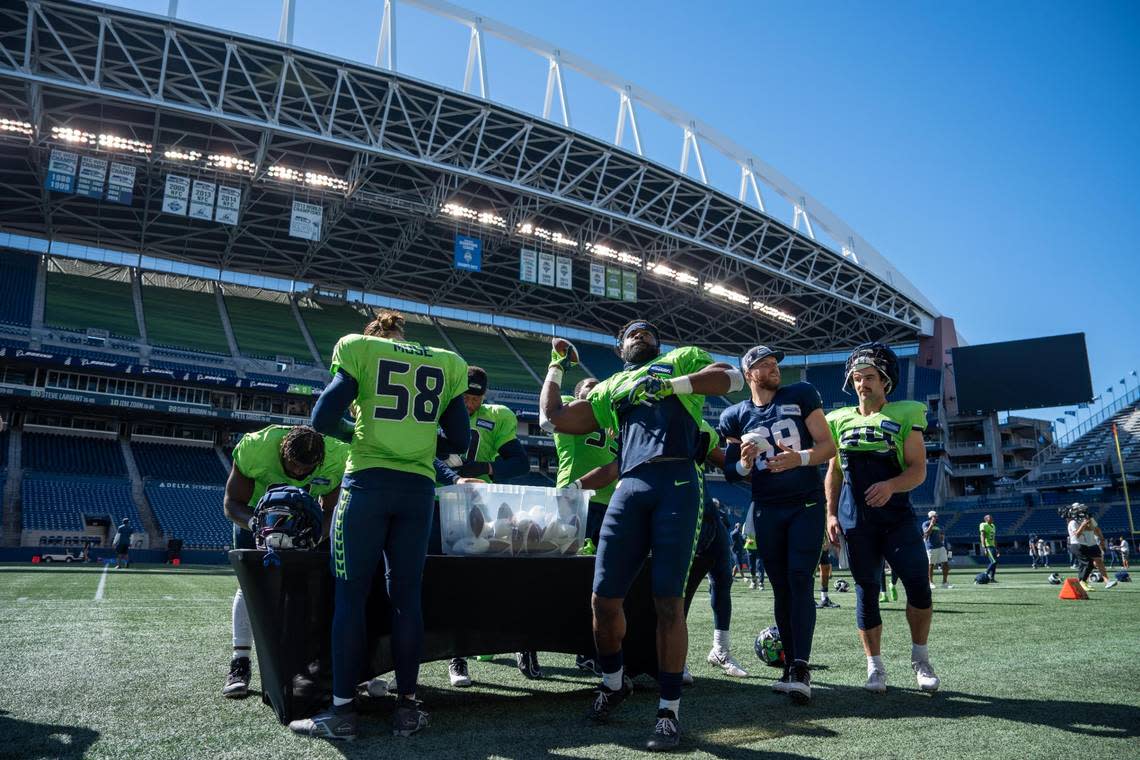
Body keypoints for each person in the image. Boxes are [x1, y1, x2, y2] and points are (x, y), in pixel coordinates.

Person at [539, 320, 743, 751]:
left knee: (668, 600)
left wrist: (675, 386)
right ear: (619, 348)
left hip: (678, 481)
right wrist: (557, 366)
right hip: (629, 486)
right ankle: (614, 683)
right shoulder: (612, 386)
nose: (640, 334)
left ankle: (669, 711)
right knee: (603, 598)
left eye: (648, 332)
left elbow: (735, 378)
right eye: (631, 333)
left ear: (659, 343)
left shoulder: (678, 360)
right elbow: (552, 418)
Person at [288, 310, 469, 740]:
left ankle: (343, 712)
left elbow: (321, 419)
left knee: (349, 598)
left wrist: (364, 435)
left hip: (367, 485)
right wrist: (417, 441)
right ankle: (408, 707)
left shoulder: (359, 348)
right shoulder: (446, 360)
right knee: (406, 599)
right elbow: (460, 441)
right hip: (418, 491)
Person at [721, 344, 835, 703]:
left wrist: (798, 459)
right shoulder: (734, 416)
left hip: (805, 502)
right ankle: (789, 665)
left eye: (774, 363)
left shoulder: (800, 393)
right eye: (764, 364)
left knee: (800, 579)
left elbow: (827, 446)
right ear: (749, 373)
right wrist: (743, 461)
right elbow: (730, 472)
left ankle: (801, 666)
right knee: (781, 587)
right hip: (767, 507)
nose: (773, 368)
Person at [824, 342, 939, 694]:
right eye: (857, 378)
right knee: (866, 591)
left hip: (896, 517)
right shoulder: (838, 419)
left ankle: (920, 658)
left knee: (918, 585)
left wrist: (891, 485)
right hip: (856, 519)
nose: (862, 384)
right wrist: (830, 513)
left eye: (869, 377)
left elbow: (919, 470)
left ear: (885, 381)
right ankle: (875, 667)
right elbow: (834, 471)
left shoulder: (906, 413)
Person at [221, 424, 350, 700]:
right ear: (282, 450)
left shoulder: (338, 456)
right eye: (294, 466)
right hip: (256, 516)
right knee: (249, 586)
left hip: (305, 523)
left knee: (311, 586)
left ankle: (307, 663)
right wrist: (257, 525)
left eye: (307, 469)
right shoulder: (256, 446)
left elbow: (332, 510)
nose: (300, 473)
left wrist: (313, 536)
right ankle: (240, 662)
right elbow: (231, 503)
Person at [440, 365, 534, 683]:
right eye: (464, 396)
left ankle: (462, 654)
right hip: (437, 502)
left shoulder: (497, 416)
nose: (469, 404)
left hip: (477, 506)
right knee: (444, 582)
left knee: (478, 578)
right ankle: (454, 653)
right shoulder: (439, 408)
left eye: (475, 398)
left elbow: (520, 462)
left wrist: (484, 467)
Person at [553, 377, 620, 556]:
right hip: (575, 497)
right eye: (590, 386)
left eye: (600, 387)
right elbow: (554, 411)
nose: (597, 389)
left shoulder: (611, 419)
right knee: (570, 555)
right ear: (577, 395)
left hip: (608, 500)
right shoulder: (569, 406)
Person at [1065, 504, 1119, 592]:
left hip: (1091, 542)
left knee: (1098, 561)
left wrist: (1101, 540)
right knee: (1088, 563)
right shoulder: (1073, 521)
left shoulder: (1088, 518)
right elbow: (1080, 532)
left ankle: (1106, 581)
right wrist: (1085, 525)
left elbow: (1095, 529)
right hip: (1082, 543)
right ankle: (1084, 580)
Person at [923, 510, 951, 589]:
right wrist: (931, 524)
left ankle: (945, 582)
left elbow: (942, 535)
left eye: (936, 516)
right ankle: (930, 582)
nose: (936, 517)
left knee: (945, 563)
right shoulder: (926, 524)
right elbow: (926, 534)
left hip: (940, 547)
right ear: (930, 517)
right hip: (931, 547)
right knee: (931, 565)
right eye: (934, 516)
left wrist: (942, 539)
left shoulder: (939, 525)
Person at [817, 541, 840, 608]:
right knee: (810, 567)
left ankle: (824, 598)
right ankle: (809, 599)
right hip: (810, 536)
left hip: (822, 535)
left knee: (825, 566)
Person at [979, 515, 998, 582]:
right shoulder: (983, 525)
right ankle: (985, 574)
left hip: (993, 546)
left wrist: (996, 548)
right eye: (990, 517)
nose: (992, 518)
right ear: (986, 519)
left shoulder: (993, 526)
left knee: (994, 563)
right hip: (988, 546)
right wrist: (984, 547)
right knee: (994, 561)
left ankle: (992, 578)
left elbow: (994, 538)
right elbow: (982, 536)